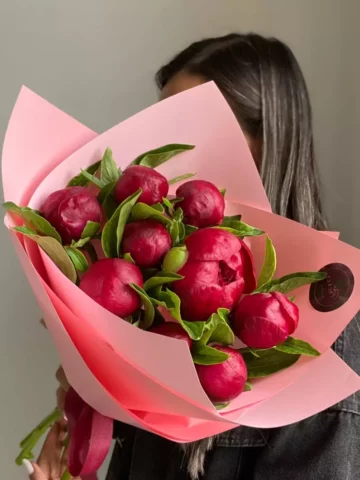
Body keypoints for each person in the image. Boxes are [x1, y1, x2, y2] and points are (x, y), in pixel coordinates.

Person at [25, 33, 360, 480]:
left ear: (267, 140)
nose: (168, 152)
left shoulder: (328, 342)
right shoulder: (156, 302)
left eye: (190, 125)